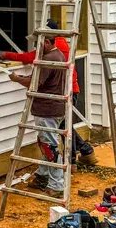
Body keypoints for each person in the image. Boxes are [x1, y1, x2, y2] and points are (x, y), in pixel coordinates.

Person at [1, 19, 98, 167]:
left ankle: (70, 163)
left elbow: (28, 57)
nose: (38, 43)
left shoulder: (54, 48)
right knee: (65, 126)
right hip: (68, 88)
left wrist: (7, 55)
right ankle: (85, 152)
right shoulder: (60, 44)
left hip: (63, 90)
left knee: (65, 129)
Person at [10, 33, 71, 197]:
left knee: (50, 147)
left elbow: (35, 83)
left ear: (50, 42)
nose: (38, 47)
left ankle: (57, 185)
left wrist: (17, 79)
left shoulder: (49, 59)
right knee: (45, 142)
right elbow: (37, 79)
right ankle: (42, 176)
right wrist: (24, 78)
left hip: (47, 109)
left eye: (41, 44)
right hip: (55, 108)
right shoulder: (59, 55)